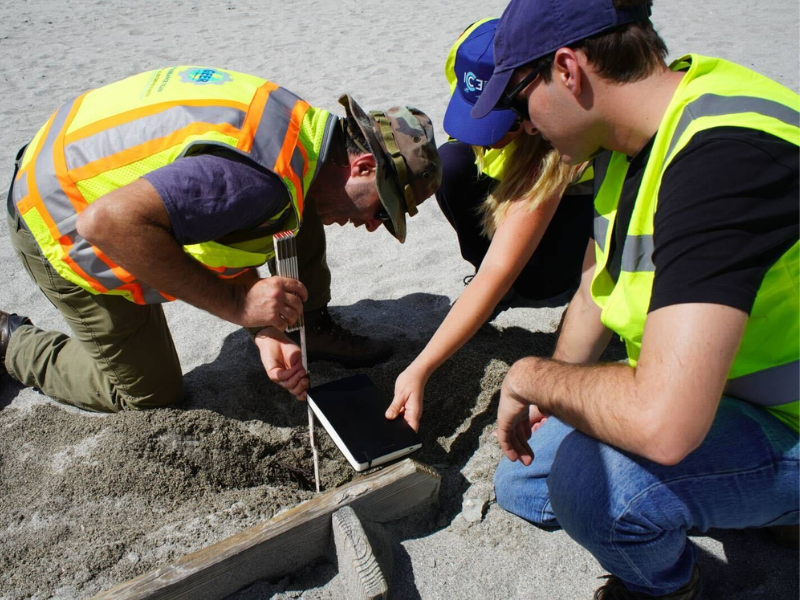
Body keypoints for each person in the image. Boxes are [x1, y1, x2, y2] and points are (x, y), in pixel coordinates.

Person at [471, 0, 799, 598]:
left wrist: (531, 376)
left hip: (780, 417)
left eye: (520, 103)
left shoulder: (720, 157)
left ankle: (673, 587)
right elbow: (598, 292)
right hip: (716, 389)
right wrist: (560, 385)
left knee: (599, 490)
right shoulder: (634, 143)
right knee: (524, 482)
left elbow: (661, 423)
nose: (522, 127)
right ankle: (749, 505)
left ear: (568, 69)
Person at [1, 66, 441, 411]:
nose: (370, 225)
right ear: (363, 166)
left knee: (305, 206)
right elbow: (107, 224)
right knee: (150, 393)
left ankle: (310, 328)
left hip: (82, 156)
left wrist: (266, 330)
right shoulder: (258, 183)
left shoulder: (301, 137)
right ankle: (9, 339)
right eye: (381, 210)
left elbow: (225, 224)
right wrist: (238, 306)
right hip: (56, 212)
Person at [386, 18, 593, 431]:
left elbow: (500, 270)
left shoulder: (557, 133)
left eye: (503, 124)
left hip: (580, 208)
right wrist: (419, 369)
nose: (486, 137)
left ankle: (534, 287)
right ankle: (497, 295)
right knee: (456, 162)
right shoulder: (473, 46)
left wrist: (421, 366)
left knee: (524, 275)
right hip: (524, 175)